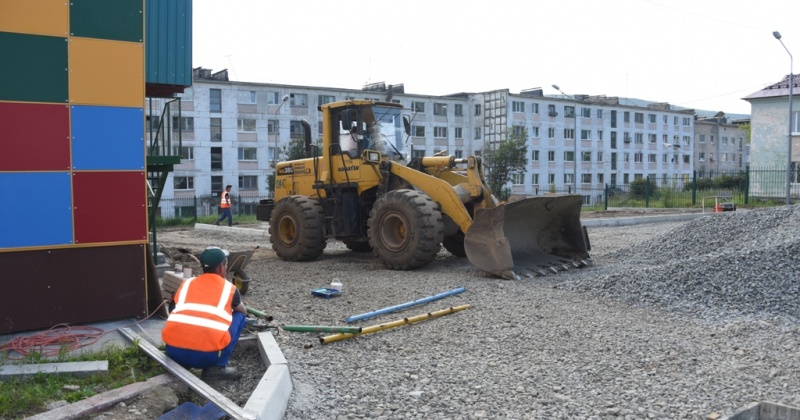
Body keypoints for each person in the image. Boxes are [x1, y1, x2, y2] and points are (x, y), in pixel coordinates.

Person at [162, 247, 247, 381]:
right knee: (240, 317)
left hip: (174, 351)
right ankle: (216, 368)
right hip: (206, 357)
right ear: (221, 267)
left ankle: (183, 363)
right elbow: (242, 311)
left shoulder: (186, 283)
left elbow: (172, 309)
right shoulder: (229, 288)